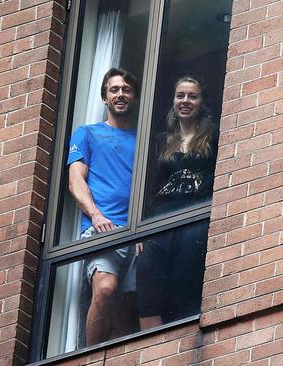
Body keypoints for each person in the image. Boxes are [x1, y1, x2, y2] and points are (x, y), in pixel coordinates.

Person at [136, 76, 218, 330]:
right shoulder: (162, 140)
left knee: (186, 275)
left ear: (201, 102)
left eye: (192, 96)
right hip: (161, 215)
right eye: (180, 95)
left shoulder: (213, 137)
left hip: (194, 214)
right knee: (147, 271)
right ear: (173, 101)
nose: (185, 101)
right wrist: (139, 228)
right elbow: (149, 186)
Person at [67, 68, 139, 345]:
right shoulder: (87, 134)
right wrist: (96, 216)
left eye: (126, 89)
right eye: (114, 89)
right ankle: (90, 357)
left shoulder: (142, 138)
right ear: (104, 98)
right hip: (104, 229)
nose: (121, 94)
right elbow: (76, 181)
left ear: (134, 97)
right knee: (106, 289)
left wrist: (143, 229)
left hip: (136, 233)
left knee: (125, 313)